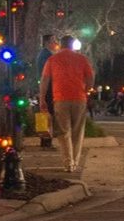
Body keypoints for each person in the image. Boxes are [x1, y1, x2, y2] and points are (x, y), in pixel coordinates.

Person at [41, 38, 97, 172]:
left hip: (60, 98)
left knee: (63, 132)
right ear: (73, 45)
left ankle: (68, 163)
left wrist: (42, 97)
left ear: (60, 45)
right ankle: (75, 162)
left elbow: (45, 80)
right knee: (77, 132)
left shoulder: (52, 60)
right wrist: (87, 89)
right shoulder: (82, 59)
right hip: (79, 98)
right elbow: (90, 78)